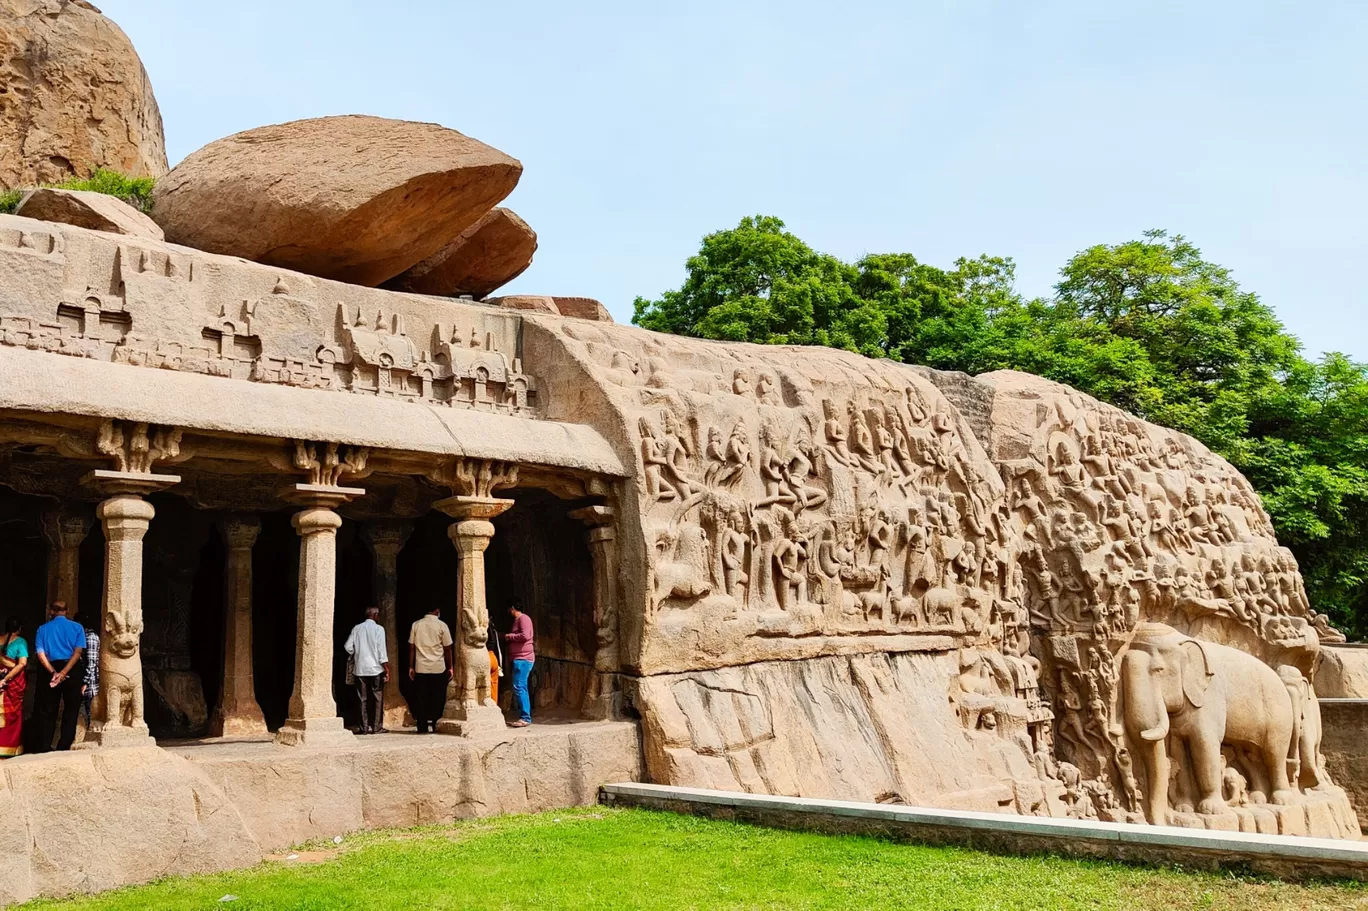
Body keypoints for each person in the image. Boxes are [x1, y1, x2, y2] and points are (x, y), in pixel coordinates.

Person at [33, 600, 85, 752]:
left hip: (50, 669)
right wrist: (64, 672)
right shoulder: (77, 627)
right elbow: (78, 652)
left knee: (48, 709)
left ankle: (45, 745)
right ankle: (64, 745)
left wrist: (53, 672)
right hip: (71, 669)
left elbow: (40, 653)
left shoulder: (42, 629)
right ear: (66, 611)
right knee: (71, 708)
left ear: (51, 611)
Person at [407, 605, 452, 734]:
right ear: (437, 611)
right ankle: (436, 723)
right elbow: (447, 648)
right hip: (438, 666)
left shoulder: (416, 625)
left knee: (421, 698)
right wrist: (451, 666)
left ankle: (422, 726)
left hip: (421, 666)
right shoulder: (442, 625)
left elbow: (411, 647)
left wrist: (411, 666)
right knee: (437, 697)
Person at [344, 607, 389, 735]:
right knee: (377, 697)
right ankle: (376, 727)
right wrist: (386, 668)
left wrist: (356, 654)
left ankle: (363, 727)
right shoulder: (379, 629)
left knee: (361, 698)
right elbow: (382, 651)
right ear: (375, 615)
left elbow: (347, 646)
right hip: (376, 669)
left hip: (360, 669)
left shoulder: (357, 628)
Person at [502, 601, 534, 728]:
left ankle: (525, 717)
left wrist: (511, 636)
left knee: (519, 686)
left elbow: (526, 635)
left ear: (513, 608)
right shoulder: (517, 621)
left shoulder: (523, 619)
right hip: (518, 658)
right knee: (520, 686)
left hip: (523, 658)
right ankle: (524, 716)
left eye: (510, 609)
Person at [0, 617, 28, 758]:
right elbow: (22, 663)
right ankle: (7, 749)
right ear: (19, 629)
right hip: (11, 685)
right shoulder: (21, 642)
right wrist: (6, 679)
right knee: (12, 716)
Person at [79, 613, 100, 733]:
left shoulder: (90, 637)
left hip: (90, 683)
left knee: (89, 711)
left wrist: (85, 682)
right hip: (87, 680)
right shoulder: (84, 637)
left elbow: (91, 662)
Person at [487, 620, 503, 703]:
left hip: (485, 656)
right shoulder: (494, 631)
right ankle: (494, 706)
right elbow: (498, 648)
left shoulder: (482, 629)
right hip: (493, 657)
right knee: (494, 685)